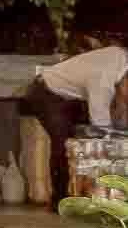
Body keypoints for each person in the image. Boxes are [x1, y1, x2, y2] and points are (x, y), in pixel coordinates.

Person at [23, 40, 128, 205]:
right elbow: (101, 126)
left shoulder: (121, 58)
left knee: (83, 143)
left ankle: (85, 194)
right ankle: (60, 200)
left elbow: (120, 110)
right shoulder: (103, 78)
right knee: (66, 144)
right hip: (46, 92)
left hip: (69, 97)